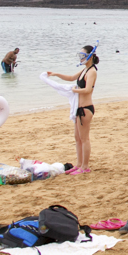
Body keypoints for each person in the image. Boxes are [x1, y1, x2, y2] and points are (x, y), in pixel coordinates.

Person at [46, 44, 98, 174]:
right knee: (77, 138)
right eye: (80, 55)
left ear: (90, 56)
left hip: (86, 109)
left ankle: (85, 167)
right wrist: (55, 74)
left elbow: (87, 90)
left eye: (83, 55)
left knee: (84, 138)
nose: (81, 58)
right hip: (78, 109)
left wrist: (73, 90)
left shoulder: (92, 71)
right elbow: (70, 78)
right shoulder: (84, 70)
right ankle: (78, 164)